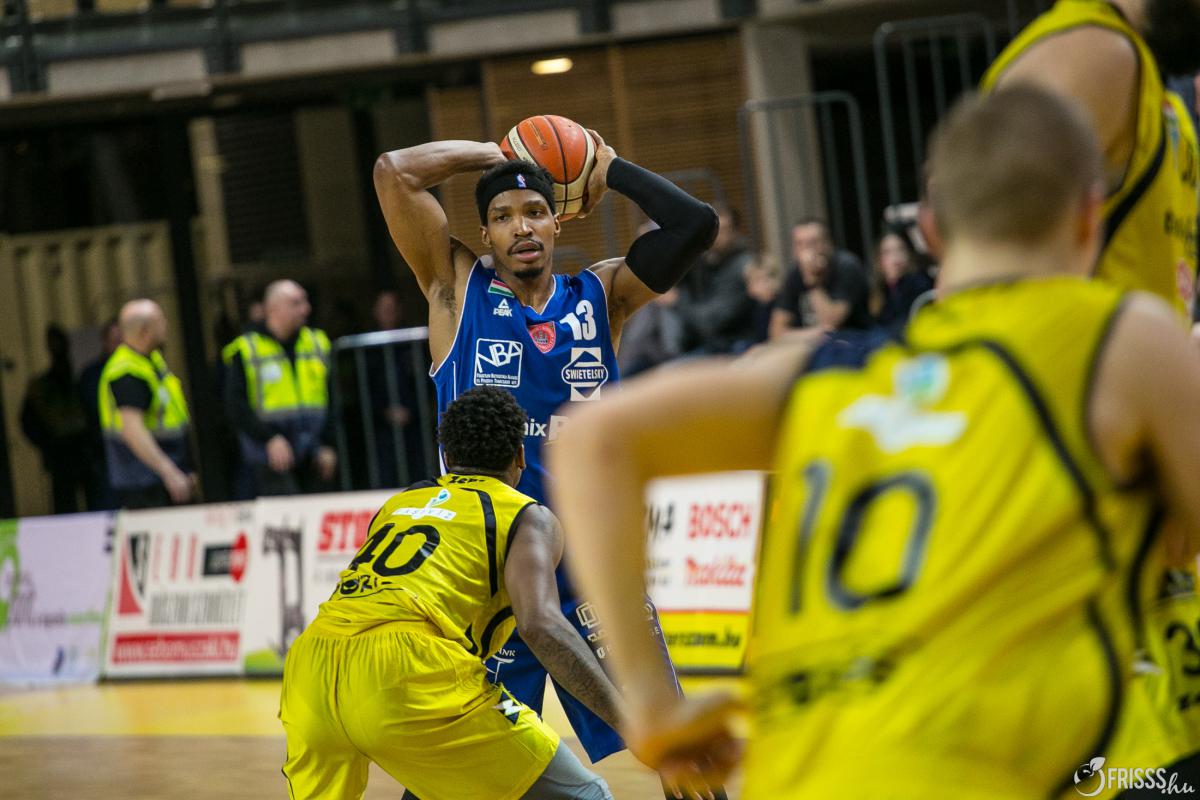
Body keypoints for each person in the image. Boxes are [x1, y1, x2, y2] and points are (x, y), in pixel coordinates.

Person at [550, 87, 1200, 798]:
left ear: (931, 229)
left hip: (807, 776)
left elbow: (593, 441)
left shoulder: (815, 372)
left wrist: (651, 705)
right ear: (1090, 217)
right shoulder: (1115, 340)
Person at [374, 131, 720, 789]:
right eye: (503, 217)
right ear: (485, 234)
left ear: (558, 220)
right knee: (460, 779)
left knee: (680, 749)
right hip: (485, 579)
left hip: (590, 569)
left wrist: (607, 167)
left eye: (534, 211)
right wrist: (493, 154)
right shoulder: (455, 288)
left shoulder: (601, 294)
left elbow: (695, 225)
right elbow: (395, 172)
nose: (521, 227)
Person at [983, 0, 1200, 772]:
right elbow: (985, 281)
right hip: (1075, 560)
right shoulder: (1094, 54)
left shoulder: (1160, 96)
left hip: (1149, 570)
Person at [279, 387, 623, 800]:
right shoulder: (525, 515)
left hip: (310, 664)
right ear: (520, 455)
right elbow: (540, 625)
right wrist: (630, 720)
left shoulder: (399, 504)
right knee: (587, 794)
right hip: (407, 668)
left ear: (446, 454)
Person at [222, 280, 337, 497]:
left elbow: (332, 398)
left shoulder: (317, 343)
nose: (306, 309)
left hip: (313, 456)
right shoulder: (246, 349)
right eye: (296, 303)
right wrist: (269, 438)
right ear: (273, 309)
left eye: (305, 302)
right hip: (267, 457)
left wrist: (328, 443)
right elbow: (235, 406)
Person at [98, 300, 195, 509]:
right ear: (144, 331)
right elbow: (132, 430)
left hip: (165, 479)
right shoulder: (126, 372)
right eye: (160, 321)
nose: (166, 324)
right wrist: (169, 472)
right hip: (144, 483)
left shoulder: (151, 361)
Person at [668, 203, 757, 355]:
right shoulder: (706, 261)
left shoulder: (742, 267)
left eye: (724, 230)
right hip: (706, 345)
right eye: (713, 230)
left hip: (733, 346)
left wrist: (677, 301)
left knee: (669, 369)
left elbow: (710, 322)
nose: (716, 236)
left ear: (736, 232)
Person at [20, 324, 89, 514]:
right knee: (65, 503)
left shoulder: (79, 380)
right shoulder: (42, 385)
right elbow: (28, 422)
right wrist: (48, 445)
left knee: (93, 501)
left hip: (84, 450)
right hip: (60, 452)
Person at [768, 218, 870, 339]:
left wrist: (812, 281)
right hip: (813, 341)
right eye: (800, 244)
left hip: (853, 339)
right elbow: (776, 331)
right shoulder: (794, 274)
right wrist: (814, 333)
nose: (807, 251)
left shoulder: (846, 266)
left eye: (813, 243)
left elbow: (831, 322)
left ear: (828, 244)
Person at [78, 318, 121, 510]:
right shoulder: (92, 375)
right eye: (114, 341)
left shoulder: (139, 369)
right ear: (104, 342)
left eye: (122, 341)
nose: (119, 347)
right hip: (103, 455)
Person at [869, 227, 933, 327]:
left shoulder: (919, 282)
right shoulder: (880, 289)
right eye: (887, 252)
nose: (895, 256)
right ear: (879, 259)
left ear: (908, 254)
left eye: (900, 249)